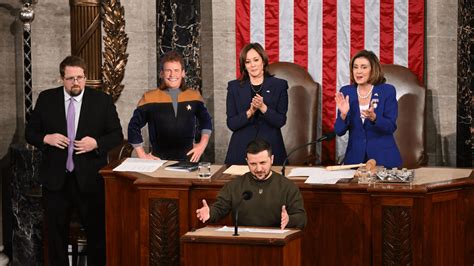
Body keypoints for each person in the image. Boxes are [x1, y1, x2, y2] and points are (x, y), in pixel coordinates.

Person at [25, 55, 123, 265]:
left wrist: (96, 143)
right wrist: (46, 138)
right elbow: (30, 132)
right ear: (62, 78)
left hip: (90, 181)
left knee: (97, 237)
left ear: (85, 77)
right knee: (56, 238)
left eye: (80, 77)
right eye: (70, 78)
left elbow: (116, 134)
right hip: (56, 181)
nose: (76, 82)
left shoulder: (101, 101)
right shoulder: (46, 99)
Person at [196, 138, 306, 229]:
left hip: (276, 243)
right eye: (253, 164)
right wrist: (210, 213)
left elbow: (302, 218)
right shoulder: (235, 185)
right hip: (243, 242)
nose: (258, 169)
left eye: (263, 163)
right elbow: (220, 208)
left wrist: (289, 220)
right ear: (247, 161)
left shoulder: (288, 187)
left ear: (272, 159)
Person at [128, 51, 212, 162]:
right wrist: (142, 154)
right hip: (158, 160)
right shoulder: (149, 98)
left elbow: (206, 120)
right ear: (161, 73)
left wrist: (202, 144)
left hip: (189, 160)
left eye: (176, 70)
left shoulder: (194, 96)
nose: (172, 75)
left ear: (183, 73)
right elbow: (133, 126)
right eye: (168, 71)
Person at [334, 50, 402, 168]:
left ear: (373, 69)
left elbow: (391, 127)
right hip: (355, 160)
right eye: (355, 67)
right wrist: (343, 115)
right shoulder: (346, 92)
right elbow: (339, 131)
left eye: (364, 67)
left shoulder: (387, 91)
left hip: (383, 159)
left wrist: (375, 118)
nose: (359, 71)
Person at [225, 43, 288, 165]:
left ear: (263, 61)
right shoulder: (234, 87)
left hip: (271, 147)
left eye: (256, 60)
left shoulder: (279, 85)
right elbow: (231, 123)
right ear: (244, 65)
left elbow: (280, 121)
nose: (252, 65)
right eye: (247, 62)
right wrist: (250, 112)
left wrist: (263, 108)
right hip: (241, 149)